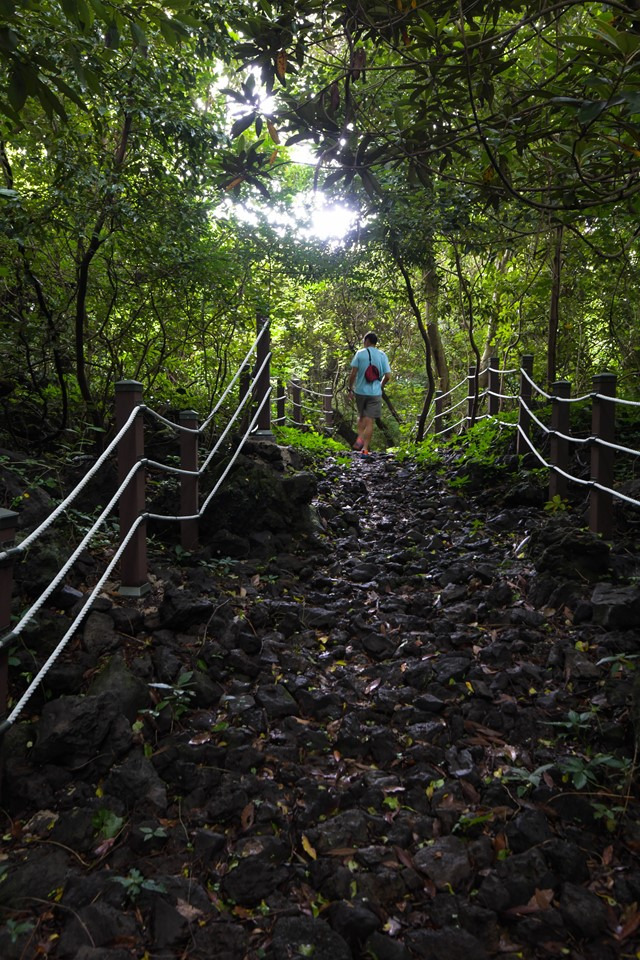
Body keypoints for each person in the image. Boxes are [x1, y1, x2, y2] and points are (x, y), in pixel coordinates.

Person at [348, 331, 391, 454]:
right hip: (375, 393)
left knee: (361, 416)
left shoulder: (360, 354)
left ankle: (360, 437)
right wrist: (380, 386)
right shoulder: (382, 355)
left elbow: (353, 374)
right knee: (370, 420)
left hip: (360, 391)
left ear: (367, 341)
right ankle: (365, 448)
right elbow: (388, 375)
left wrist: (350, 389)